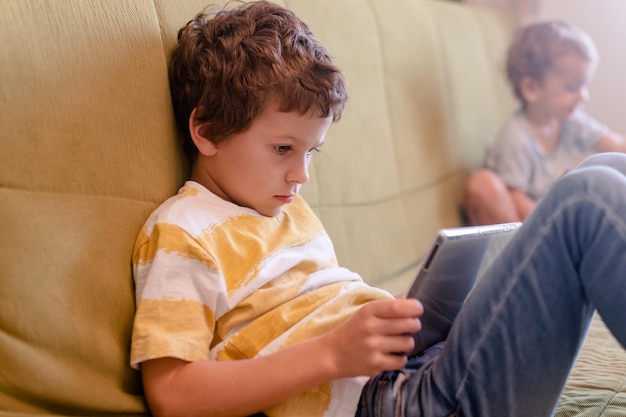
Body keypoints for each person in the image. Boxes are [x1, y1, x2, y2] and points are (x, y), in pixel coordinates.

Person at [130, 2, 626, 416]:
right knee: (586, 201)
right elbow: (172, 393)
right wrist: (331, 354)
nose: (301, 175)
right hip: (395, 401)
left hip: (422, 366)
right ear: (206, 130)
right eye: (283, 149)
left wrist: (401, 317)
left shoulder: (283, 209)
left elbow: (323, 310)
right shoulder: (183, 229)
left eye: (311, 152)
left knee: (602, 169)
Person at [464, 19, 626, 226]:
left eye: (585, 85)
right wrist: (557, 223)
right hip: (529, 226)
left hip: (554, 219)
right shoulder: (516, 138)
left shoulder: (571, 120)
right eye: (572, 87)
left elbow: (615, 145)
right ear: (531, 88)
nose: (583, 96)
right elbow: (516, 198)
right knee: (485, 184)